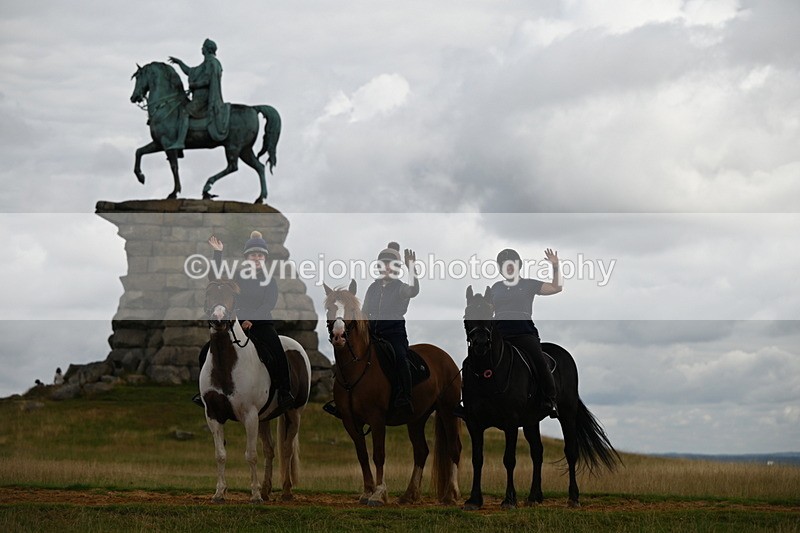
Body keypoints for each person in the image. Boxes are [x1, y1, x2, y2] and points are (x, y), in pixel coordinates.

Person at [192, 231, 294, 411]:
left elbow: (268, 304)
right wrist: (218, 253)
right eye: (253, 255)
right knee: (205, 351)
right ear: (247, 257)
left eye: (260, 255)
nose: (256, 258)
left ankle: (285, 392)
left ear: (265, 258)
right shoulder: (237, 276)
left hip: (261, 324)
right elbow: (215, 277)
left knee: (277, 351)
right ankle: (205, 392)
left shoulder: (269, 280)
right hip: (236, 325)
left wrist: (252, 320)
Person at [456, 248, 562, 419]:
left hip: (524, 334)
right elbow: (488, 310)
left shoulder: (529, 284)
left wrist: (556, 267)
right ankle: (467, 402)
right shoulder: (496, 288)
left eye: (511, 263)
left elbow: (556, 287)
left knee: (539, 360)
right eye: (504, 265)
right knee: (471, 362)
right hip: (500, 336)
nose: (508, 267)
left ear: (518, 265)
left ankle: (550, 400)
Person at [361, 242, 419, 411]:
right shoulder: (372, 288)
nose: (387, 267)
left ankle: (405, 397)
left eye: (391, 264)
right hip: (372, 334)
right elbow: (364, 312)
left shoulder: (401, 287)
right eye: (384, 263)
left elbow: (414, 290)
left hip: (394, 334)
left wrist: (412, 268)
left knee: (400, 357)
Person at [168, 38, 230, 147]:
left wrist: (194, 85)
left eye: (203, 47)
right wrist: (179, 62)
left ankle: (180, 142)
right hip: (199, 98)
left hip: (204, 99)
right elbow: (190, 71)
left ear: (206, 49)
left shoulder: (212, 63)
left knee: (184, 112)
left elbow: (208, 81)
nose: (201, 49)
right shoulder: (206, 63)